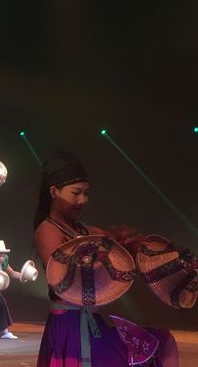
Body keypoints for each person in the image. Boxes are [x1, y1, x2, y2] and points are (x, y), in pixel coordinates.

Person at [33, 151, 178, 367]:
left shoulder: (84, 229)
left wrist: (132, 248)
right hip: (69, 326)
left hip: (92, 322)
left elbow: (117, 251)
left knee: (162, 341)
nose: (82, 200)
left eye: (86, 193)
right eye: (75, 193)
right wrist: (105, 257)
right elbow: (63, 278)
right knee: (159, 343)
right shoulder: (47, 231)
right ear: (54, 192)